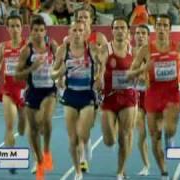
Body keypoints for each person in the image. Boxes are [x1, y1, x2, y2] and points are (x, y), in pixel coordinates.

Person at [127, 14, 180, 180]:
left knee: (169, 130)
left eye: (165, 25)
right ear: (155, 28)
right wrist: (143, 69)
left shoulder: (178, 48)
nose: (162, 28)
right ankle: (163, 172)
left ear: (169, 29)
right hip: (153, 96)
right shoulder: (146, 50)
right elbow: (129, 73)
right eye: (159, 25)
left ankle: (171, 136)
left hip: (172, 96)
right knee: (155, 136)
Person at [51, 20, 103, 180]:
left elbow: (102, 65)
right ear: (69, 32)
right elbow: (52, 74)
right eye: (74, 30)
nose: (77, 33)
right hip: (70, 95)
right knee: (73, 139)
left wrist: (99, 77)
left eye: (81, 30)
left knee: (83, 133)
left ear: (85, 32)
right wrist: (61, 72)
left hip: (87, 94)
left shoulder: (92, 48)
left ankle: (86, 146)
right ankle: (77, 171)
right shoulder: (63, 50)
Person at [15, 15, 58, 180]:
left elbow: (62, 61)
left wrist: (60, 75)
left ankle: (46, 151)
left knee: (46, 120)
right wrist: (32, 68)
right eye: (35, 30)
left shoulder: (52, 45)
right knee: (33, 129)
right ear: (30, 31)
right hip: (33, 91)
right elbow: (18, 75)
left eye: (41, 30)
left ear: (45, 31)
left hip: (49, 91)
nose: (39, 33)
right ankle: (38, 160)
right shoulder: (27, 51)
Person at [98, 17, 137, 180]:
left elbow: (140, 70)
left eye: (123, 28)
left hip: (128, 97)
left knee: (125, 136)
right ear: (112, 31)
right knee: (109, 141)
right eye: (116, 28)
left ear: (127, 31)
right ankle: (114, 140)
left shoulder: (133, 50)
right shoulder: (106, 49)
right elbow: (100, 66)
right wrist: (99, 76)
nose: (120, 31)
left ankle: (121, 171)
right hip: (109, 97)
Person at [73, 6, 107, 173]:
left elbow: (105, 59)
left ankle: (86, 143)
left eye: (85, 17)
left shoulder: (98, 37)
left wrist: (100, 75)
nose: (83, 20)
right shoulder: (71, 38)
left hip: (93, 85)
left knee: (88, 123)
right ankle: (82, 159)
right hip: (76, 85)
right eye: (80, 17)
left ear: (91, 20)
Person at [0, 14, 27, 174]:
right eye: (11, 26)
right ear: (7, 28)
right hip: (8, 88)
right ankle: (11, 161)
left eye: (17, 26)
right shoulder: (3, 45)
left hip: (25, 89)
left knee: (22, 128)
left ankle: (22, 121)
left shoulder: (28, 45)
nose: (14, 29)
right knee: (9, 126)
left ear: (22, 28)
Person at [132, 24, 150, 176]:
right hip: (136, 96)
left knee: (156, 132)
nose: (140, 35)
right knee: (141, 133)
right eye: (137, 33)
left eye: (143, 33)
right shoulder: (129, 52)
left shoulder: (153, 53)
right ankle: (146, 165)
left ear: (148, 36)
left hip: (152, 96)